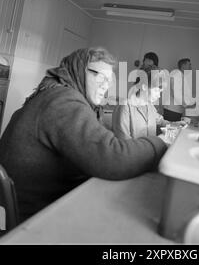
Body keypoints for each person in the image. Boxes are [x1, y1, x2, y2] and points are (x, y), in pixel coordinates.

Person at [0, 48, 168, 222]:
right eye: (100, 76)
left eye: (109, 80)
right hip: (36, 216)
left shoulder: (54, 93)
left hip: (35, 203)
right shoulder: (63, 100)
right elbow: (112, 157)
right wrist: (161, 143)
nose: (106, 85)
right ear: (79, 70)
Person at [112, 70, 184, 139]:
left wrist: (175, 124)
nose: (159, 95)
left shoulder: (149, 106)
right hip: (135, 151)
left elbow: (160, 121)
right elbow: (123, 141)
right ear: (144, 87)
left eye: (160, 92)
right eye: (156, 90)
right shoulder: (125, 107)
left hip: (149, 149)